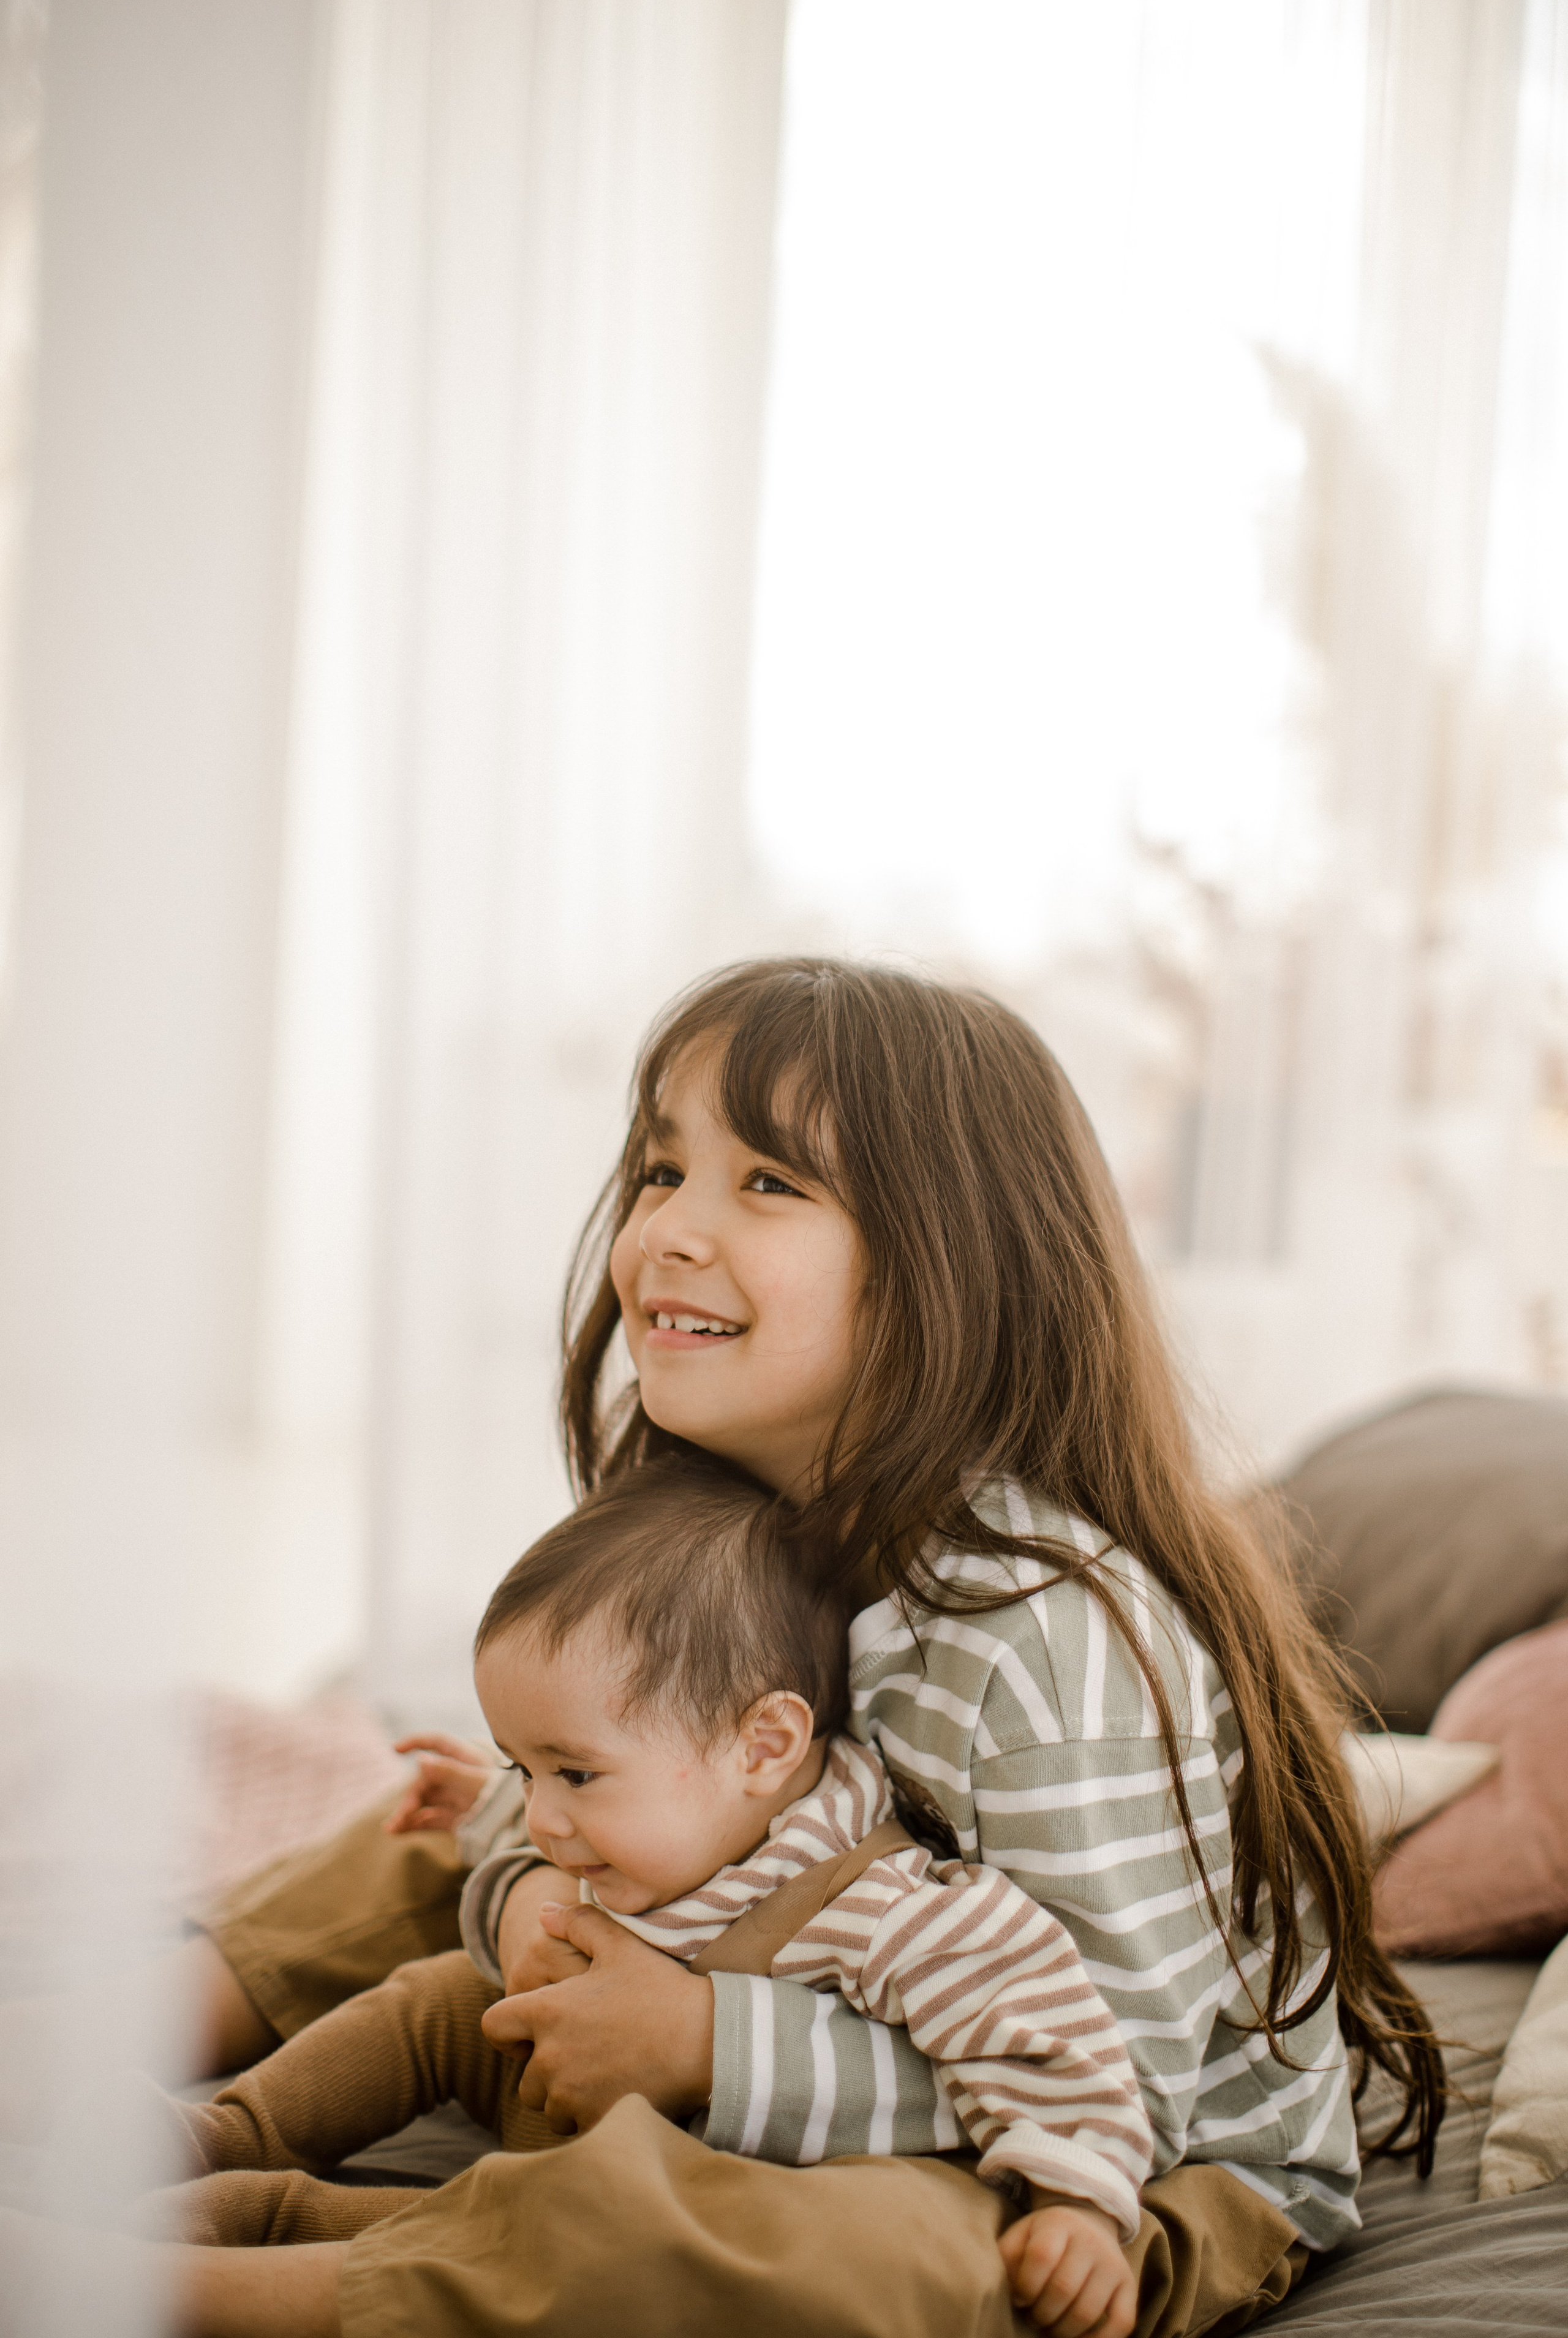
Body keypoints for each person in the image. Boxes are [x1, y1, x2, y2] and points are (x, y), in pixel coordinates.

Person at [0, 959, 1443, 2338]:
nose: (668, 1229)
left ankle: (203, 2290)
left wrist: (707, 2045)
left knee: (847, 2258)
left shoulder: (1040, 1651)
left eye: (765, 1182)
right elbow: (578, 1809)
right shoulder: (724, 1523)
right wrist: (514, 1885)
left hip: (1107, 2164)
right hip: (784, 1976)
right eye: (658, 1170)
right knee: (446, 1818)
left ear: (951, 1266)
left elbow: (1122, 2073)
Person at [121, 1456, 1153, 2338]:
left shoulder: (890, 1905)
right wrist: (483, 1805)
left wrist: (1077, 2201)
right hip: (558, 2086)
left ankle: (258, 2221)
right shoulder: (675, 1802)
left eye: (571, 1774)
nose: (544, 1817)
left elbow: (1050, 2034)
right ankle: (226, 2137)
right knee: (439, 1999)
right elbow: (584, 1815)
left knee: (550, 2221)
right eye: (525, 1771)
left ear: (766, 1744)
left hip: (673, 2162)